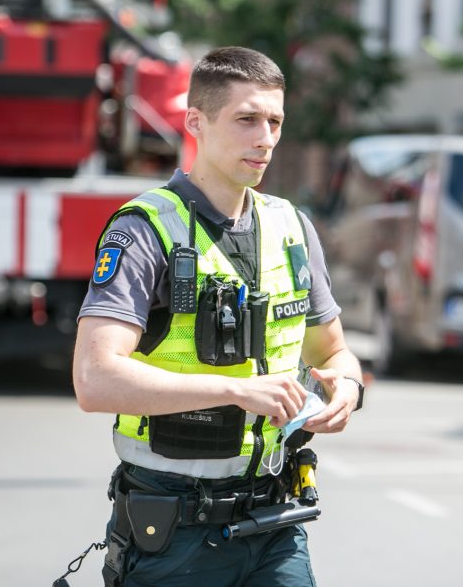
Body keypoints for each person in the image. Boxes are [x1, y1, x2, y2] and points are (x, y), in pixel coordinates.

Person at [72, 46, 363, 587]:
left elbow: (335, 353)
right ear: (196, 122)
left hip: (276, 521)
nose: (266, 137)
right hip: (175, 527)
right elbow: (94, 380)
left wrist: (347, 389)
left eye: (275, 121)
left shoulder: (292, 226)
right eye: (247, 119)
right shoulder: (144, 229)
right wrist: (234, 391)